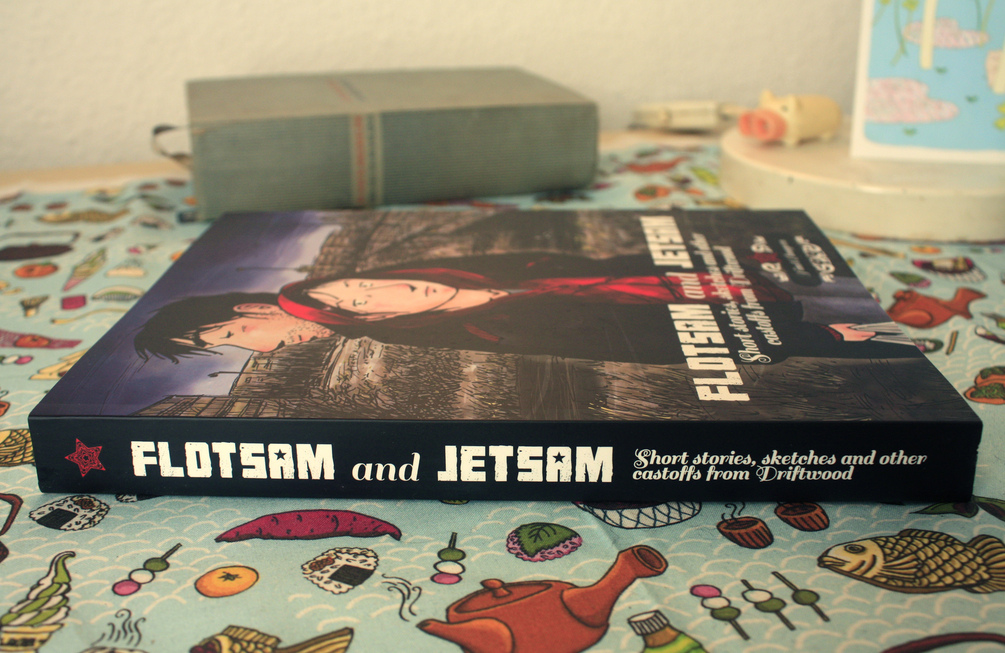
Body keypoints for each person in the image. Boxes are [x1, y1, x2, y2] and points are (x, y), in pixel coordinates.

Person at [134, 253, 915, 366]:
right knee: (882, 335)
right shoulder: (423, 333)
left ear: (250, 303)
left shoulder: (362, 293)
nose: (257, 347)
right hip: (765, 320)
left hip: (735, 281)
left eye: (234, 332)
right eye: (231, 348)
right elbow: (610, 344)